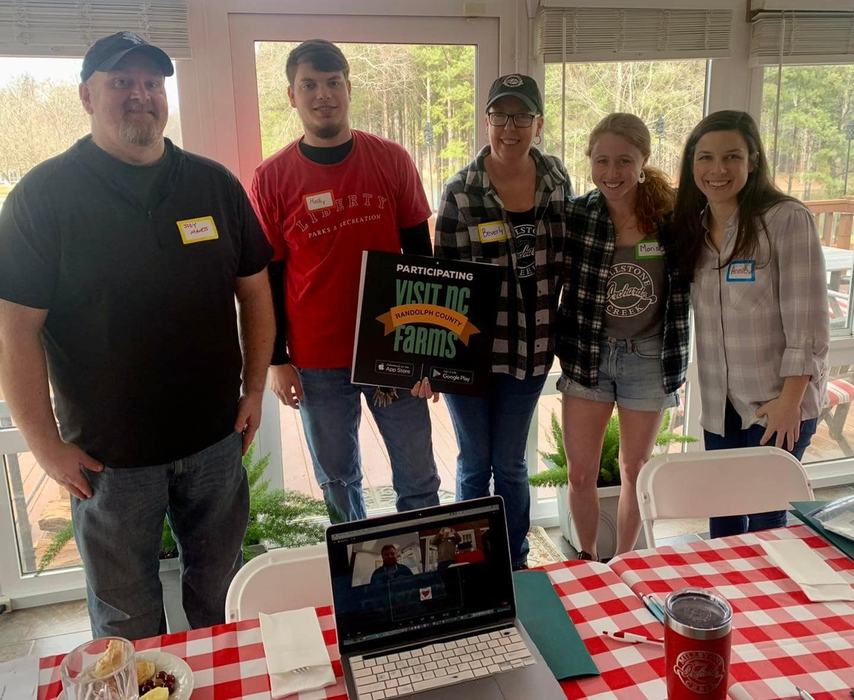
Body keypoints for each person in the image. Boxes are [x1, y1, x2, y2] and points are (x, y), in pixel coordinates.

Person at [0, 32, 275, 639]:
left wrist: (254, 389)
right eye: (121, 82)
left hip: (213, 443)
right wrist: (44, 444)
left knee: (222, 594)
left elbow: (255, 291)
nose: (140, 96)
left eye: (152, 83)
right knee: (126, 616)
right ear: (86, 96)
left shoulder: (214, 186)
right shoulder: (42, 198)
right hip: (108, 460)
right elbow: (14, 331)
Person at [250, 39, 440, 524]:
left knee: (418, 476)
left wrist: (427, 349)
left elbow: (421, 257)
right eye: (309, 84)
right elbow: (267, 277)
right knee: (337, 480)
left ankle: (430, 582)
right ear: (292, 95)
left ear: (348, 88)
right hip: (316, 359)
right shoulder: (272, 178)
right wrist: (277, 360)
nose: (323, 95)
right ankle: (361, 578)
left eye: (333, 83)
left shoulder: (391, 160)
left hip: (392, 349)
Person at [434, 74, 572, 569]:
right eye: (499, 116)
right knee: (474, 465)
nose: (509, 127)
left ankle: (514, 562)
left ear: (538, 123)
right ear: (486, 120)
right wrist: (435, 362)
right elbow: (445, 285)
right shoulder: (460, 190)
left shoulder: (558, 181)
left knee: (510, 465)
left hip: (531, 350)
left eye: (520, 116)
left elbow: (566, 263)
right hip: (469, 358)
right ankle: (472, 566)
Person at [672, 110, 829, 538]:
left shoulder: (785, 220)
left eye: (731, 157)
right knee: (722, 517)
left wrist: (789, 401)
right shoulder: (695, 227)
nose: (717, 170)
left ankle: (766, 602)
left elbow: (809, 325)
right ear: (692, 165)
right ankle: (721, 602)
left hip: (775, 403)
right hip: (721, 405)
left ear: (753, 161)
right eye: (705, 158)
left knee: (764, 525)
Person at [556, 113, 690, 561]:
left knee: (635, 471)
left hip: (649, 359)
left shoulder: (671, 218)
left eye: (624, 161)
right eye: (601, 161)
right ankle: (588, 560)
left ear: (644, 160)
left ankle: (627, 563)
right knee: (580, 473)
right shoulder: (577, 214)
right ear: (590, 161)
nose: (611, 174)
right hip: (588, 356)